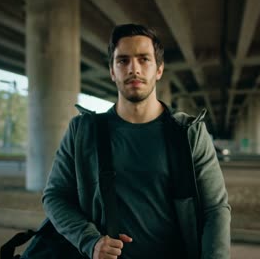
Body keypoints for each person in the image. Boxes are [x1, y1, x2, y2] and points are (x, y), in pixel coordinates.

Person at [42, 24, 231, 259]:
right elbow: (55, 196)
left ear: (159, 69)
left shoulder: (188, 132)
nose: (134, 69)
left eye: (144, 59)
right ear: (112, 71)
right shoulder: (82, 131)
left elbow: (215, 210)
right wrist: (90, 241)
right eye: (123, 61)